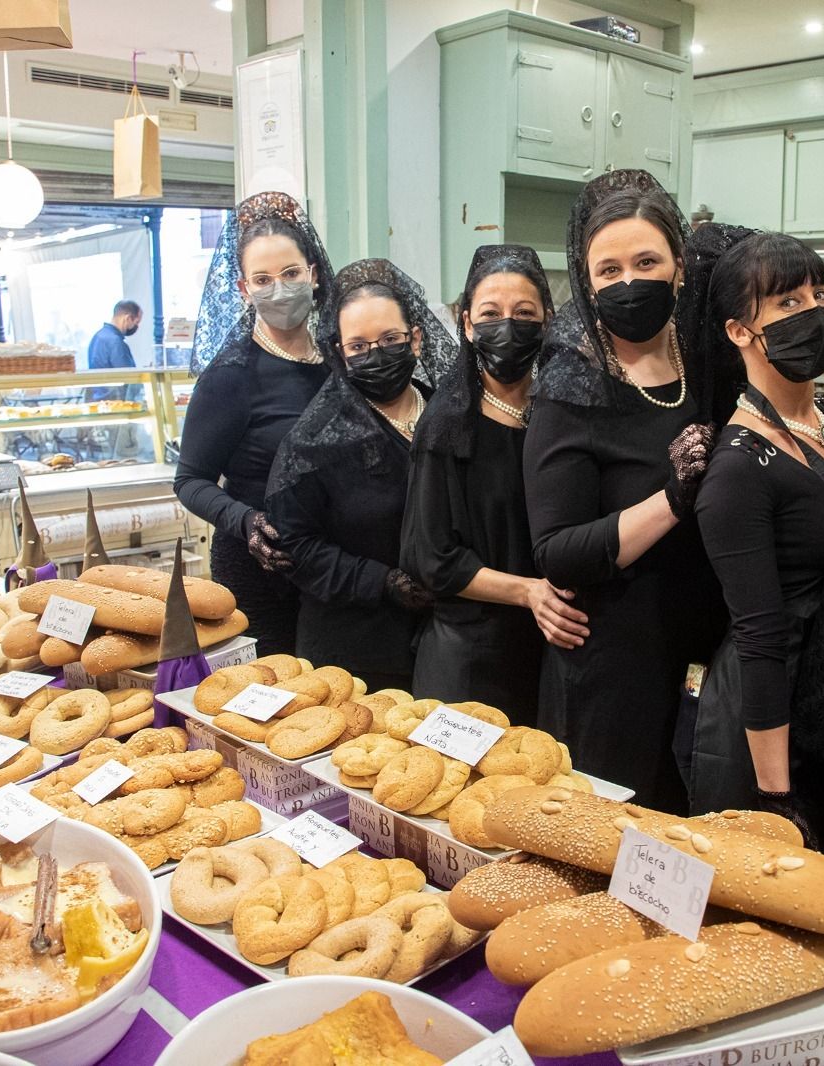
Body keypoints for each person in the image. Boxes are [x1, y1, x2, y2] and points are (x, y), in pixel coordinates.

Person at [522, 169, 726, 811]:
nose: (629, 281)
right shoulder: (572, 385)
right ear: (586, 282)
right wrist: (672, 498)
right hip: (614, 666)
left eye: (646, 261)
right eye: (608, 270)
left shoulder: (707, 358)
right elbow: (557, 550)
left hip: (706, 654)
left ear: (681, 266)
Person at [681, 225, 824, 857]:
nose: (814, 313)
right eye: (788, 304)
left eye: (819, 295)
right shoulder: (735, 469)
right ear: (738, 332)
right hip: (764, 727)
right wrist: (776, 794)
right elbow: (761, 636)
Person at [401, 244, 586, 723]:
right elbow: (433, 561)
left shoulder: (560, 415)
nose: (508, 325)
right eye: (490, 313)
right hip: (469, 658)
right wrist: (527, 592)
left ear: (547, 320)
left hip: (546, 649)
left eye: (524, 313)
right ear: (466, 324)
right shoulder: (445, 428)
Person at [266, 259, 455, 691]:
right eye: (359, 346)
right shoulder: (314, 440)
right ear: (340, 354)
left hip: (446, 642)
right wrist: (381, 581)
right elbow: (295, 545)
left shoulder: (447, 416)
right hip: (355, 652)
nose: (377, 354)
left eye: (391, 339)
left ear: (417, 340)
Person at [174, 192, 334, 654]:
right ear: (244, 289)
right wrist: (245, 520)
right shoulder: (232, 375)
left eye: (290, 274)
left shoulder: (341, 359)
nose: (279, 289)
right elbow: (190, 479)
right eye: (263, 279)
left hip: (334, 567)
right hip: (261, 571)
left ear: (313, 274)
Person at [85, 300, 142, 407]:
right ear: (128, 318)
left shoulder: (97, 336)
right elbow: (129, 377)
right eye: (136, 322)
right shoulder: (115, 342)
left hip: (97, 402)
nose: (136, 326)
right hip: (115, 403)